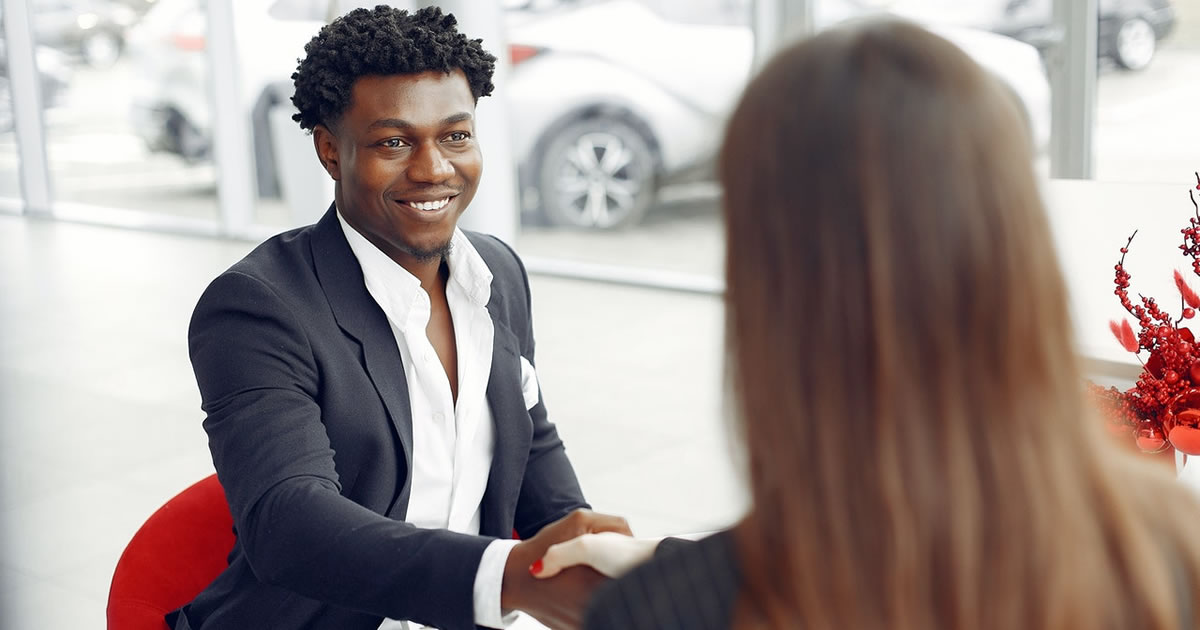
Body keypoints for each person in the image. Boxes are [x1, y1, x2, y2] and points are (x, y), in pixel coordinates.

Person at [534, 18, 1200, 630]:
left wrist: (683, 575)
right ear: (1016, 252)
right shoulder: (1170, 551)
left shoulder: (668, 613)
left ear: (769, 297)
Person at [171, 6, 629, 630]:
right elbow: (288, 521)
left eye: (456, 135)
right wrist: (503, 576)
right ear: (331, 151)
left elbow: (531, 442)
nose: (434, 168)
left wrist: (592, 561)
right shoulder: (256, 308)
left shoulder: (496, 274)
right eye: (393, 142)